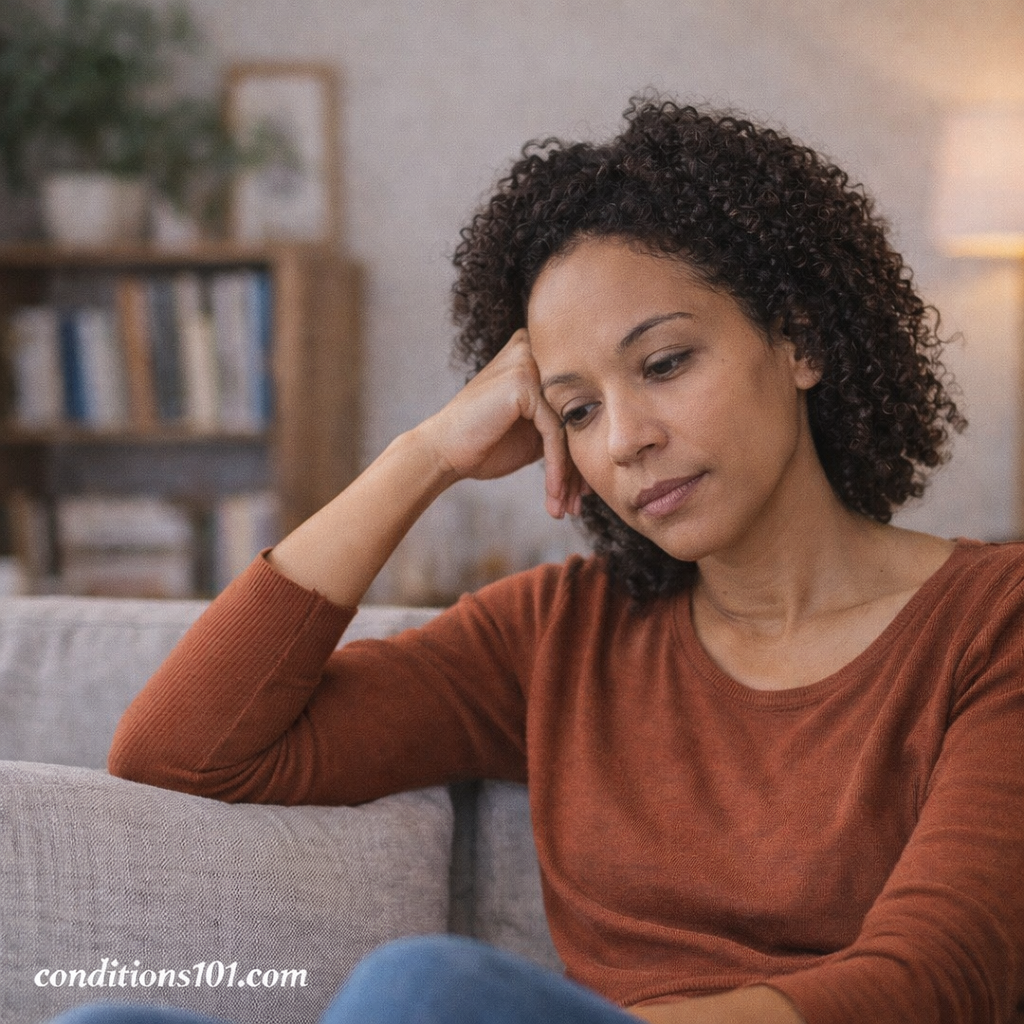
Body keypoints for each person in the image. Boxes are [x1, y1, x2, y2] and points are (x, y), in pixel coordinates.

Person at [51, 96, 1024, 1024]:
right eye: (576, 409)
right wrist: (424, 454)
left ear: (798, 339)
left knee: (425, 990)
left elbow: (940, 979)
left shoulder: (995, 621)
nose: (626, 439)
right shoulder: (556, 636)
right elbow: (183, 752)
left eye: (665, 362)